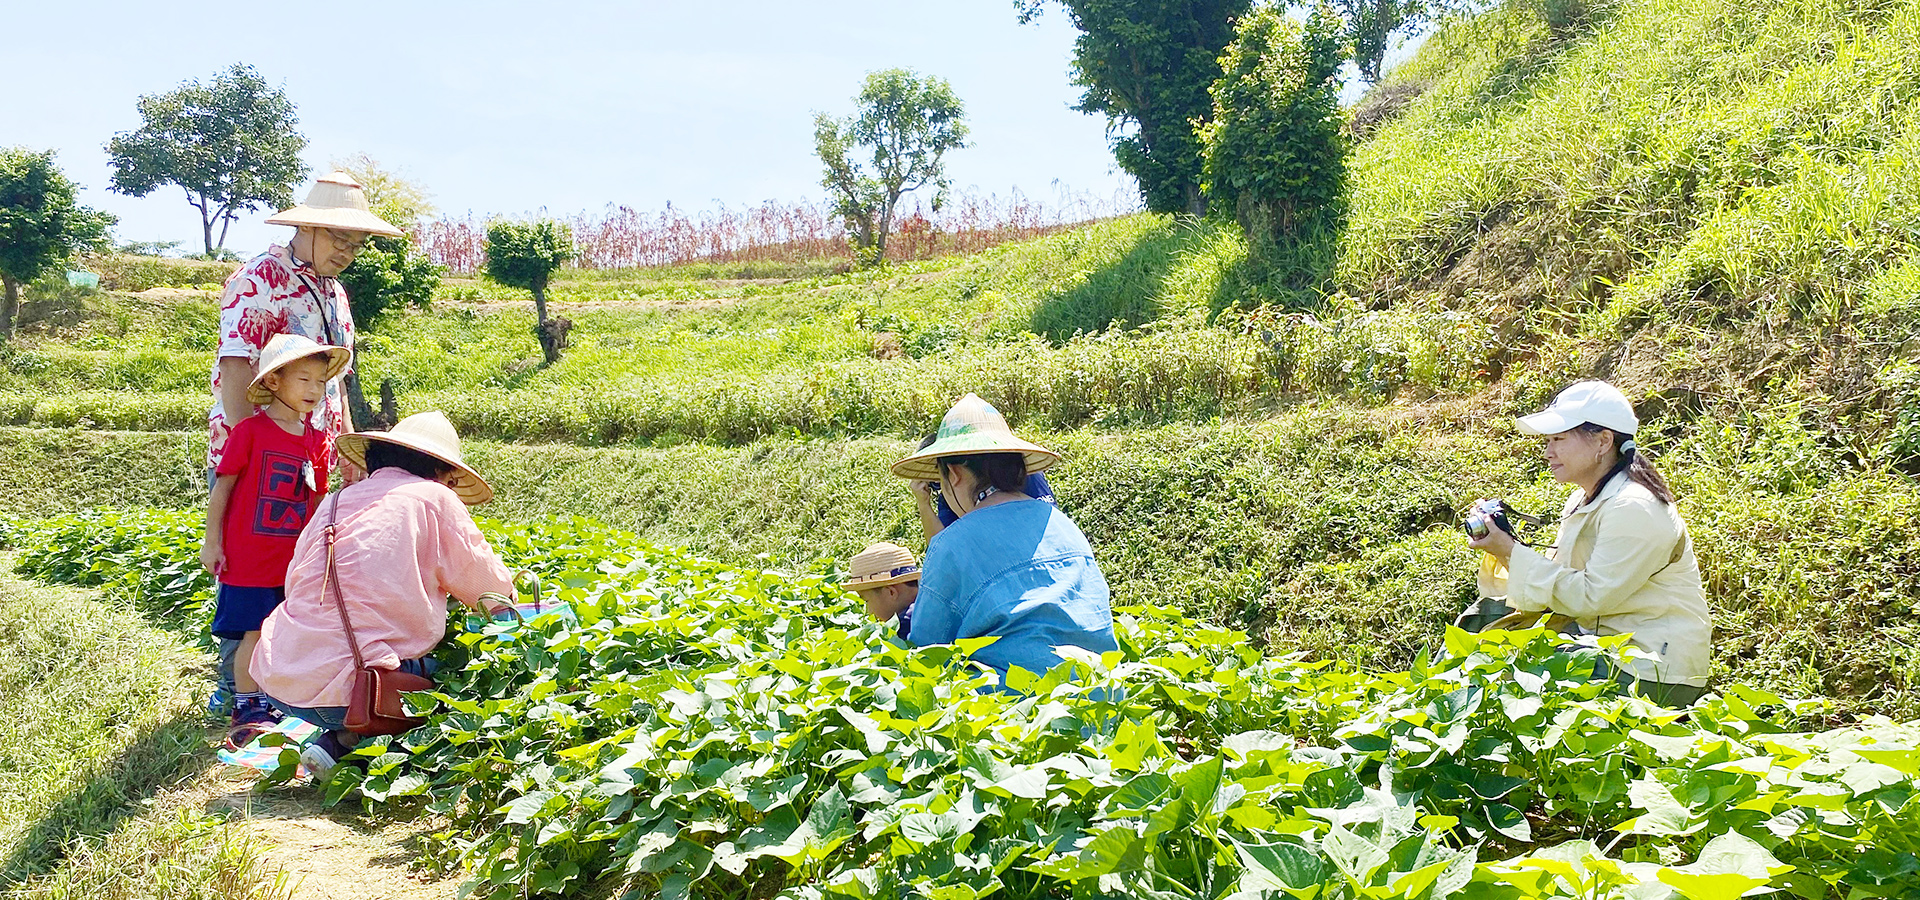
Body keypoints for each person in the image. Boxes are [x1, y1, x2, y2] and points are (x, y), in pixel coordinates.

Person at [205, 170, 403, 716]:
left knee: (296, 565)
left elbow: (334, 382)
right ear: (307, 228)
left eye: (357, 243)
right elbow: (236, 364)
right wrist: (259, 448)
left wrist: (343, 454)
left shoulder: (335, 292)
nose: (348, 251)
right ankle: (235, 688)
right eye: (339, 239)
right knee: (248, 562)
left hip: (313, 454)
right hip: (258, 454)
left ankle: (278, 684)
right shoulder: (259, 277)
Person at [252, 411, 517, 776]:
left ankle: (337, 740)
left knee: (361, 649)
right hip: (357, 689)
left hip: (280, 677)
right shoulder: (435, 498)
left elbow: (297, 582)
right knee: (459, 673)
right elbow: (493, 594)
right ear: (441, 472)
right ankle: (354, 743)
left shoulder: (333, 503)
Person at [1464, 381, 1711, 706]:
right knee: (1482, 619)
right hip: (1603, 647)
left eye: (1560, 439)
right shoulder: (1584, 499)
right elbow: (1562, 586)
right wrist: (1504, 547)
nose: (1549, 451)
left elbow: (1589, 597)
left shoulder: (1633, 506)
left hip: (1651, 668)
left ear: (1603, 441)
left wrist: (1510, 551)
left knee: (1509, 680)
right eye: (1548, 441)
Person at [891, 394, 1117, 683]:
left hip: (1017, 710)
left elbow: (927, 649)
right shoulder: (1064, 525)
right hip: (1101, 698)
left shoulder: (953, 543)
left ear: (954, 473)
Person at [201, 335, 350, 749]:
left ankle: (272, 702)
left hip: (290, 560)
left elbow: (318, 500)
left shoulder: (317, 442)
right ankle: (247, 707)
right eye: (303, 379)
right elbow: (223, 488)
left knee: (280, 633)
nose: (314, 391)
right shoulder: (250, 431)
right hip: (249, 557)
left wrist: (319, 553)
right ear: (273, 381)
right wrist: (212, 542)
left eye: (321, 383)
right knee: (252, 632)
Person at [908, 432, 1057, 539]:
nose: (941, 487)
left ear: (953, 473)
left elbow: (945, 557)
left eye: (938, 477)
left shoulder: (1026, 475)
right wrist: (924, 504)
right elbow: (943, 547)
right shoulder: (948, 499)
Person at [845, 542, 921, 633]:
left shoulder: (905, 626)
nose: (869, 612)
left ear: (891, 592)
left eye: (867, 601)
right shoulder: (933, 605)